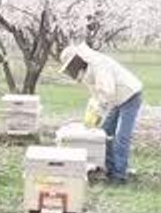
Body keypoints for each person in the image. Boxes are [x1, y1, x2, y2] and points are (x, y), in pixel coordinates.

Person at [59, 43, 143, 183]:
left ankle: (119, 175)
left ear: (78, 60)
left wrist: (99, 109)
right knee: (104, 133)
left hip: (130, 96)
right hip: (117, 100)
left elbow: (107, 92)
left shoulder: (99, 64)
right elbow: (95, 95)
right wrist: (92, 112)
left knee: (121, 136)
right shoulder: (86, 71)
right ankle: (110, 168)